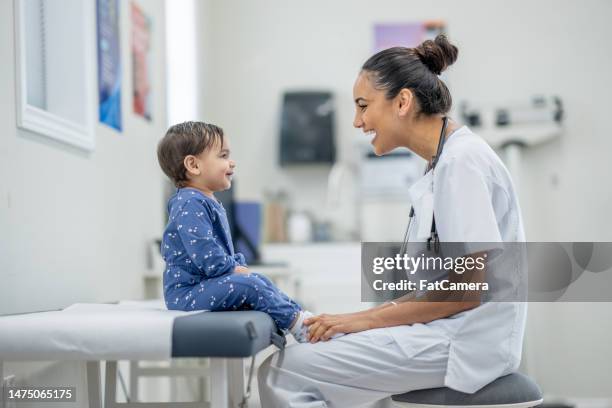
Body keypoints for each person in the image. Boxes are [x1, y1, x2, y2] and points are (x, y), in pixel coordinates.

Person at [258, 35, 527, 407]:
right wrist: (355, 318)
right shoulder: (443, 162)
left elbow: (465, 291)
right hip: (449, 332)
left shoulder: (461, 163)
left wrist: (363, 321)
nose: (357, 121)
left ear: (402, 101)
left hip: (466, 341)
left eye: (363, 105)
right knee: (315, 349)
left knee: (284, 371)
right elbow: (435, 287)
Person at [157, 121, 314, 342]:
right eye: (222, 156)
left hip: (202, 287)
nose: (231, 162)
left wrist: (236, 267)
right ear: (193, 165)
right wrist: (234, 269)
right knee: (251, 284)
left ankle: (301, 317)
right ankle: (299, 326)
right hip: (187, 294)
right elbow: (206, 255)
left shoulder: (204, 200)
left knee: (259, 280)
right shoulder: (189, 203)